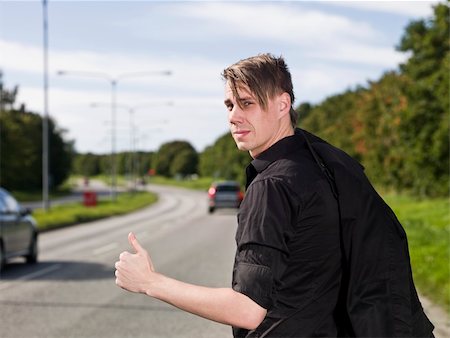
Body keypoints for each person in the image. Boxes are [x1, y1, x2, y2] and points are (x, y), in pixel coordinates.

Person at [115, 53, 434, 337]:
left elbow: (248, 310)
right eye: (229, 105)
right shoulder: (325, 166)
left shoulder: (272, 186)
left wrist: (149, 282)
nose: (233, 116)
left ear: (283, 104)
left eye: (247, 103)